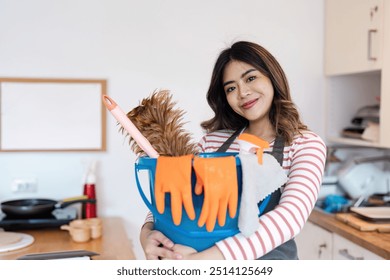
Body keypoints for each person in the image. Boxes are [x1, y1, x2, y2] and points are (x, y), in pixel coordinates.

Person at [140, 41, 326, 260]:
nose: (243, 92)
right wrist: (147, 233)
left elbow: (290, 218)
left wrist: (201, 261)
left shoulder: (304, 144)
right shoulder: (212, 143)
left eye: (250, 78)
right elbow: (175, 196)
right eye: (231, 88)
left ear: (272, 77)